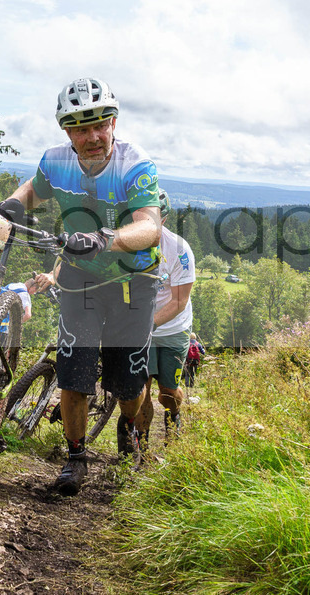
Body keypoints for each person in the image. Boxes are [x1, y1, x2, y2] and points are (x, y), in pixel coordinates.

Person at [0, 77, 162, 496]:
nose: (91, 137)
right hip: (80, 278)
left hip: (132, 280)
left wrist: (106, 238)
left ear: (113, 122)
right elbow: (34, 190)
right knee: (74, 372)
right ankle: (75, 457)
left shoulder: (135, 163)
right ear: (66, 131)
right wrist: (14, 204)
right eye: (80, 128)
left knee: (128, 384)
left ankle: (130, 426)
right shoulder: (55, 161)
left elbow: (150, 226)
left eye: (99, 125)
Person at [135, 189, 196, 448]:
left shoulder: (179, 250)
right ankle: (143, 448)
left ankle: (174, 419)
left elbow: (179, 301)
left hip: (172, 327)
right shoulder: (125, 245)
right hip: (138, 327)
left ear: (165, 219)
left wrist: (150, 324)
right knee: (140, 392)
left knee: (167, 393)